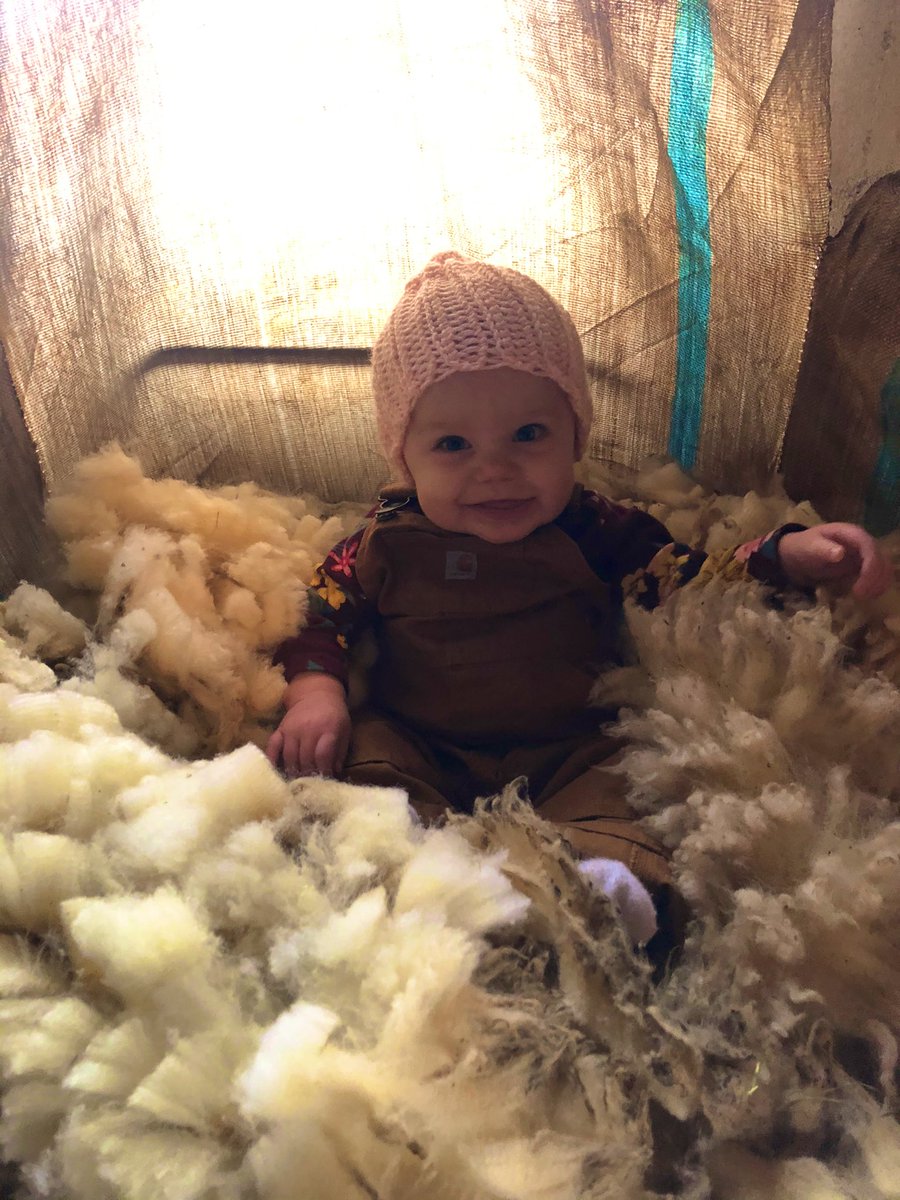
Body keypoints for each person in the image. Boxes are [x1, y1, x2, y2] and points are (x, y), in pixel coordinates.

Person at [267, 252, 891, 945]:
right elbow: (320, 610)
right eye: (452, 444)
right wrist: (316, 692)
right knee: (363, 780)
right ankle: (409, 874)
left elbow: (687, 580)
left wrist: (781, 553)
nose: (495, 468)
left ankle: (603, 889)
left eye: (528, 434)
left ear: (575, 435)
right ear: (403, 458)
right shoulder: (385, 541)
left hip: (567, 744)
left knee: (627, 785)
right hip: (422, 739)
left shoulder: (597, 528)